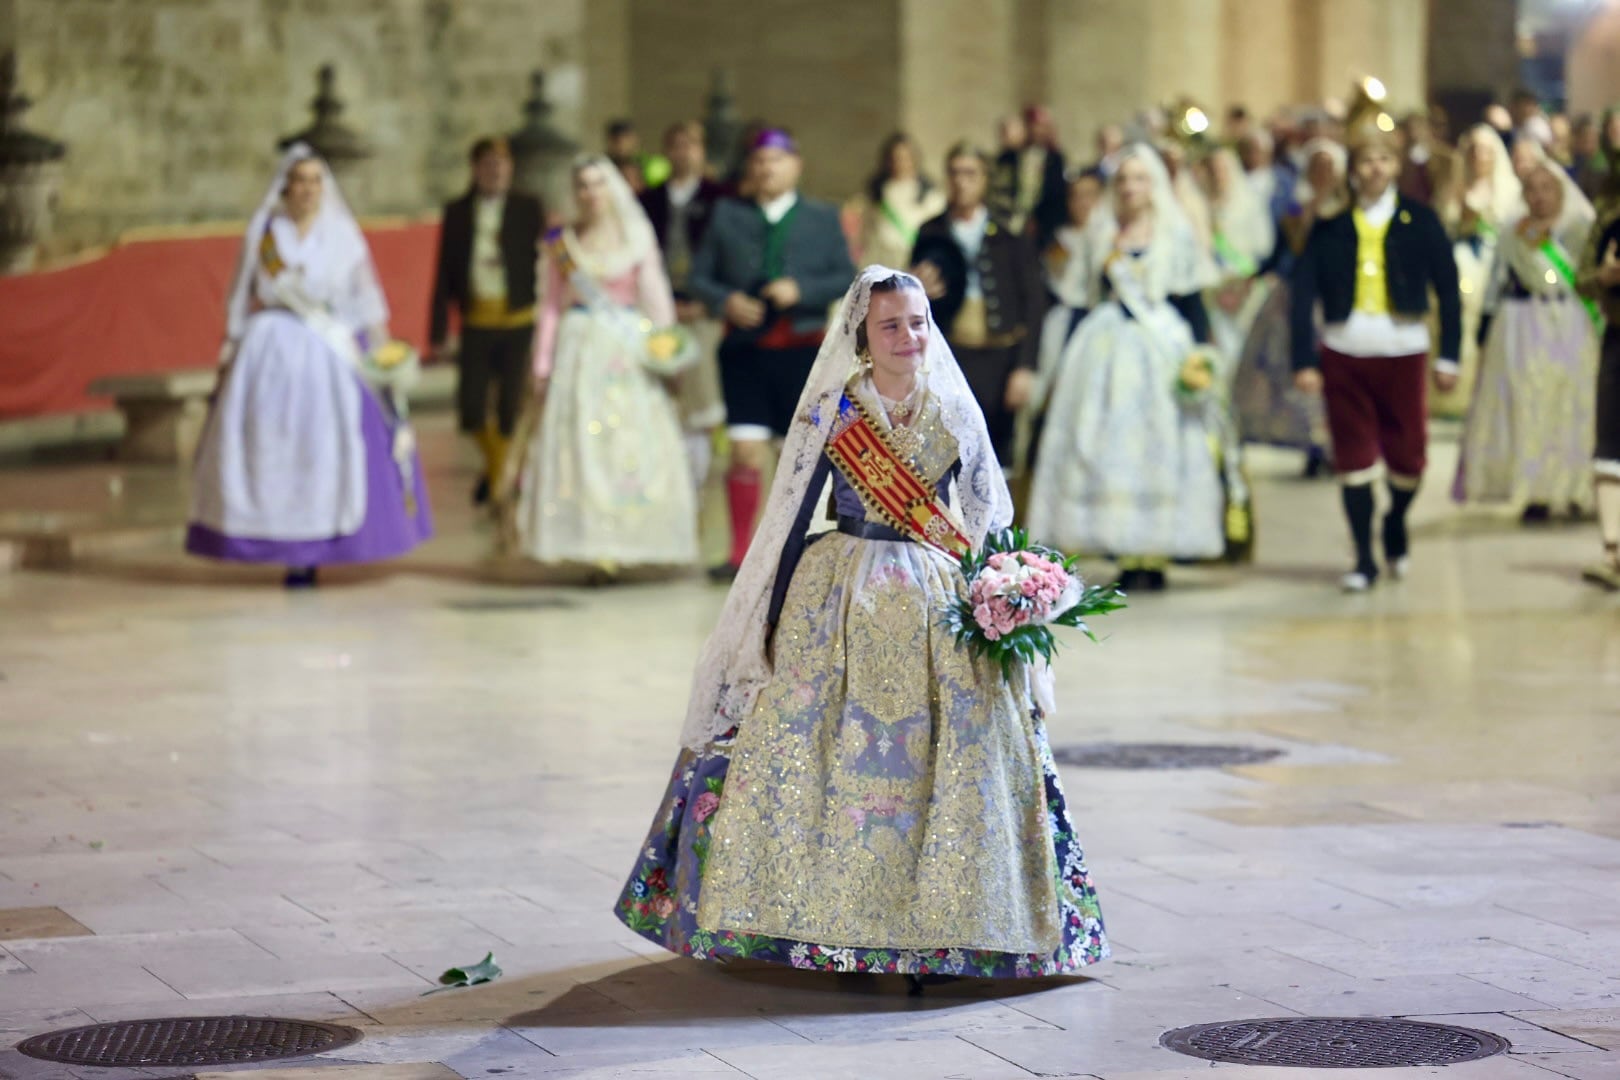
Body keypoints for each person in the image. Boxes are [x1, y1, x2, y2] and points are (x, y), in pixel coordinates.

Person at [613, 267, 1108, 983]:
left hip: (936, 599)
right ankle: (814, 918)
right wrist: (767, 624)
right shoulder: (833, 410)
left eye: (918, 322)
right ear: (861, 336)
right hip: (840, 588)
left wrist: (1008, 594)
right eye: (891, 325)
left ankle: (959, 920)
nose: (909, 337)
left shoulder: (954, 408)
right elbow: (786, 521)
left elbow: (984, 519)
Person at [188, 145, 431, 586]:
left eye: (316, 180)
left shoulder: (343, 235)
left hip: (328, 355)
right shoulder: (264, 233)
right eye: (300, 180)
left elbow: (366, 299)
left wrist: (383, 355)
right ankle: (279, 543)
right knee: (272, 450)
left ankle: (318, 548)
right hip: (271, 352)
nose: (308, 189)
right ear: (285, 186)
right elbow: (240, 299)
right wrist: (228, 355)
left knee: (326, 448)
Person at [1027, 144, 1225, 592]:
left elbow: (1192, 301)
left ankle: (1153, 552)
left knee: (1159, 449)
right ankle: (1117, 540)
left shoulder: (1174, 235)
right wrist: (1060, 365)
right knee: (1106, 445)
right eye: (1124, 180)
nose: (1132, 188)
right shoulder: (1101, 234)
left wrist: (1201, 358)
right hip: (1107, 350)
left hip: (1161, 352)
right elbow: (1081, 300)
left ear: (1153, 185)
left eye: (1140, 179)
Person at [1290, 87, 1461, 593]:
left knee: (1409, 458)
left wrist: (1449, 354)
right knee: (1353, 456)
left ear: (1396, 165)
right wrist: (1304, 358)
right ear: (1353, 166)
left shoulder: (1420, 220)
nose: (1375, 169)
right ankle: (1364, 555)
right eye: (1366, 160)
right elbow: (1303, 295)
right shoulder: (1330, 225)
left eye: (1385, 159)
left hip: (1404, 349)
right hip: (1344, 350)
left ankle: (1395, 521)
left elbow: (1447, 292)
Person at [510, 156, 696, 572]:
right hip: (579, 351)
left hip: (626, 351)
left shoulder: (636, 236)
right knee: (581, 443)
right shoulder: (562, 242)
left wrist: (669, 352)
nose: (590, 193)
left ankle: (630, 536)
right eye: (582, 186)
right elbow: (551, 308)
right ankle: (593, 543)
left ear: (611, 189)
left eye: (598, 184)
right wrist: (541, 364)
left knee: (628, 442)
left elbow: (656, 298)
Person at [688, 129, 856, 580]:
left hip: (801, 351)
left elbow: (846, 274)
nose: (767, 169)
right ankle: (740, 551)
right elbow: (699, 277)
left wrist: (801, 289)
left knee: (797, 456)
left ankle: (793, 547)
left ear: (795, 165)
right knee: (744, 452)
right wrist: (727, 302)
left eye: (776, 160)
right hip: (744, 353)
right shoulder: (727, 215)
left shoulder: (822, 217)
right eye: (759, 161)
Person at [1454, 147, 1598, 520]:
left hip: (1571, 324)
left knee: (1570, 406)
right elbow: (1496, 282)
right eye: (1531, 188)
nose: (1539, 196)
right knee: (1529, 405)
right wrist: (1484, 331)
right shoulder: (1514, 233)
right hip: (1523, 326)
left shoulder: (1581, 229)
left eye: (1547, 188)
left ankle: (1574, 490)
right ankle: (1536, 490)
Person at [911, 142, 1046, 467]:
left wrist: (1025, 367)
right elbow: (912, 303)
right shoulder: (931, 231)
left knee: (997, 457)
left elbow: (1035, 301)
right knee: (948, 453)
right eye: (955, 173)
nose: (962, 181)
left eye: (970, 174)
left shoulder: (1009, 232)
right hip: (951, 355)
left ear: (985, 179)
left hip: (1000, 357)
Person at [429, 137, 545, 506]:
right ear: (475, 168)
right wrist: (438, 329)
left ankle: (499, 484)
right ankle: (500, 470)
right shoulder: (459, 211)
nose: (494, 170)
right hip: (477, 319)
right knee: (472, 407)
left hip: (517, 320)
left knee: (511, 406)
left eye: (501, 163)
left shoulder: (528, 208)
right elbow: (444, 272)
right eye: (487, 163)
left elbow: (543, 261)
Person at [1233, 138, 1344, 474]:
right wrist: (1257, 274)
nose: (1322, 173)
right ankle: (1310, 445)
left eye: (1328, 166)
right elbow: (1284, 248)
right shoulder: (1296, 205)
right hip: (1295, 298)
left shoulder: (1345, 209)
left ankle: (1335, 445)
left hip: (1332, 298)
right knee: (1293, 371)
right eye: (1316, 166)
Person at [641, 121, 729, 486]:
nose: (683, 152)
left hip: (702, 312)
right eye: (675, 144)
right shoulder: (647, 200)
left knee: (700, 397)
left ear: (701, 150)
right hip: (656, 312)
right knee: (661, 397)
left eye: (690, 144)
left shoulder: (720, 198)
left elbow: (729, 258)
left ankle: (696, 486)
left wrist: (710, 303)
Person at [1578, 123, 1620, 588]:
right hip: (1618, 339)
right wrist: (1605, 278)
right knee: (1610, 444)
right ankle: (1613, 551)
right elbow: (1581, 278)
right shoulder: (1609, 210)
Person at [851, 132, 946, 273]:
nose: (900, 163)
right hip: (881, 260)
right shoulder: (877, 193)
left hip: (913, 259)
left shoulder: (930, 196)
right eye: (896, 158)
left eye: (905, 158)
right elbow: (866, 232)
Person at [994, 107, 1068, 247]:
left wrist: (1039, 221)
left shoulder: (1054, 159)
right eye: (1033, 126)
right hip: (1010, 226)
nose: (1037, 131)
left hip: (1042, 229)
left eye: (1041, 126)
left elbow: (1056, 193)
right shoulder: (1009, 158)